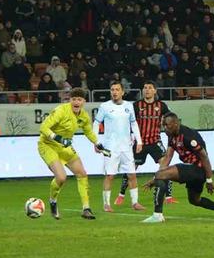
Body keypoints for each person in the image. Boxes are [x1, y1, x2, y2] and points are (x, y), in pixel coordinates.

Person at [141, 112, 214, 223]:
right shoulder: (172, 136)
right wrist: (157, 176)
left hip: (197, 169)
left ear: (176, 124)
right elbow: (168, 157)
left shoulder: (188, 136)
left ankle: (157, 215)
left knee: (160, 175)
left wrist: (209, 179)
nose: (164, 128)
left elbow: (204, 157)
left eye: (167, 125)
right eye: (163, 125)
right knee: (195, 200)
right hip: (192, 171)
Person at [38, 87, 104, 220]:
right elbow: (43, 127)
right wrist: (56, 137)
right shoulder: (60, 111)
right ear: (70, 100)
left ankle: (86, 208)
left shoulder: (84, 116)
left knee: (82, 174)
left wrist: (97, 143)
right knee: (62, 178)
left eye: (79, 99)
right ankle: (53, 201)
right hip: (48, 145)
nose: (76, 102)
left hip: (65, 147)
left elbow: (88, 131)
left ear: (84, 101)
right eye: (74, 99)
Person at [115, 80, 175, 205]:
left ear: (154, 91)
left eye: (149, 88)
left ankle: (169, 197)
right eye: (145, 87)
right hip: (139, 143)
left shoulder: (161, 106)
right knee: (131, 169)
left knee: (165, 166)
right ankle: (121, 195)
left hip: (155, 142)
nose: (146, 90)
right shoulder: (136, 105)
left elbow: (171, 119)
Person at [94, 82, 145, 212]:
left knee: (132, 175)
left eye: (117, 90)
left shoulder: (129, 106)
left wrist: (139, 141)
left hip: (126, 147)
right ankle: (106, 204)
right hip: (109, 148)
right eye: (112, 90)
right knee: (110, 176)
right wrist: (95, 142)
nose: (114, 92)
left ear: (122, 92)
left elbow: (133, 124)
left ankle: (135, 203)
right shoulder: (105, 106)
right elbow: (96, 123)